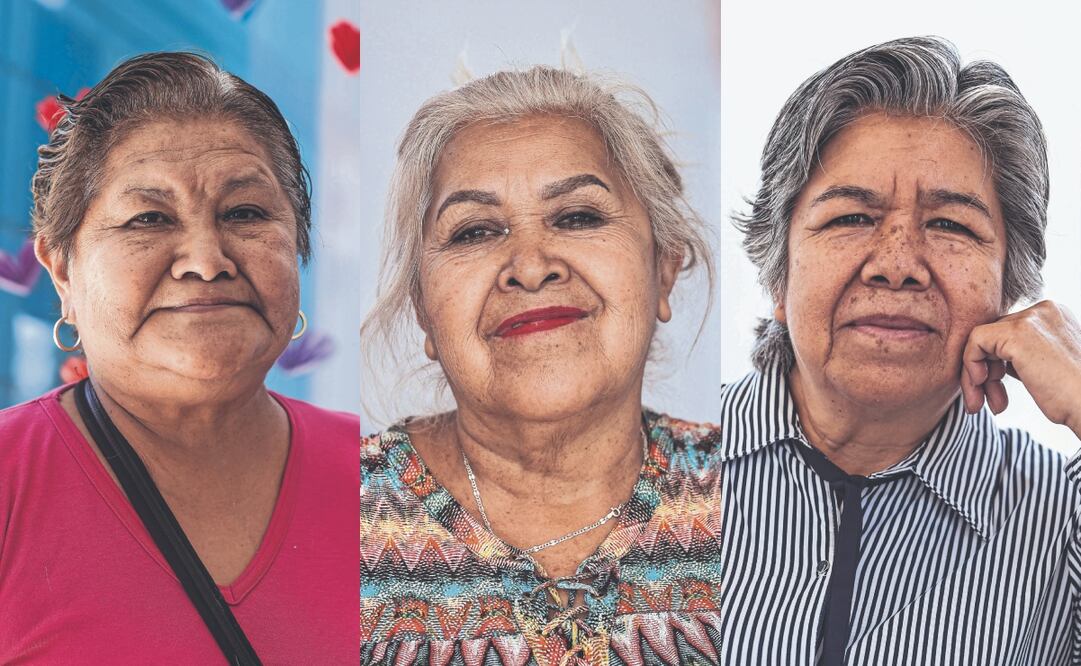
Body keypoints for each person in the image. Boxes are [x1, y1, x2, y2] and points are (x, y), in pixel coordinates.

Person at [718, 37, 1081, 664]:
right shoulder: (636, 465)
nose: (896, 264)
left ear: (1009, 292)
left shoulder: (1062, 517)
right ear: (778, 275)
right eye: (851, 218)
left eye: (950, 225)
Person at [0, 52, 357, 663]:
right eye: (149, 218)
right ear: (61, 271)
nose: (206, 261)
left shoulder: (401, 486)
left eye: (245, 213)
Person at [360, 67, 723, 664]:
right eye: (475, 231)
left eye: (577, 217)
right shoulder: (332, 515)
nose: (530, 268)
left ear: (663, 268)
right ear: (423, 309)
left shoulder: (765, 501)